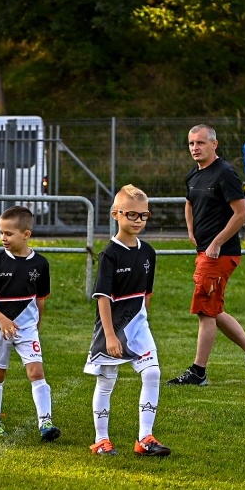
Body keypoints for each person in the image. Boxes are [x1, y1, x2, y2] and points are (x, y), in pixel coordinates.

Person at [169, 124, 245, 387]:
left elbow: (242, 214)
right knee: (214, 310)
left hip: (221, 253)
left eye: (201, 143)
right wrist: (191, 230)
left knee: (205, 311)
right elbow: (189, 202)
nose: (195, 148)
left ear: (214, 144)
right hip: (204, 250)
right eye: (191, 143)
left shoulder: (226, 173)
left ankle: (198, 372)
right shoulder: (194, 174)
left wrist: (216, 242)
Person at [85, 185, 169, 457]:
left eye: (143, 216)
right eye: (131, 214)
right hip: (113, 327)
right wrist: (110, 335)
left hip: (138, 325)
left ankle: (145, 438)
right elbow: (103, 298)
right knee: (107, 381)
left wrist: (143, 322)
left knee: (153, 373)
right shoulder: (109, 254)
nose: (137, 221)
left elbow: (147, 294)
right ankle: (101, 439)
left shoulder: (148, 252)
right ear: (115, 214)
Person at [0, 206, 57, 440]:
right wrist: (1, 319)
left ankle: (46, 423)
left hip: (27, 328)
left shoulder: (40, 264)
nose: (3, 238)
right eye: (0, 233)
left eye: (8, 234)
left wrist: (37, 323)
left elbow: (40, 298)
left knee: (36, 371)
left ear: (26, 234)